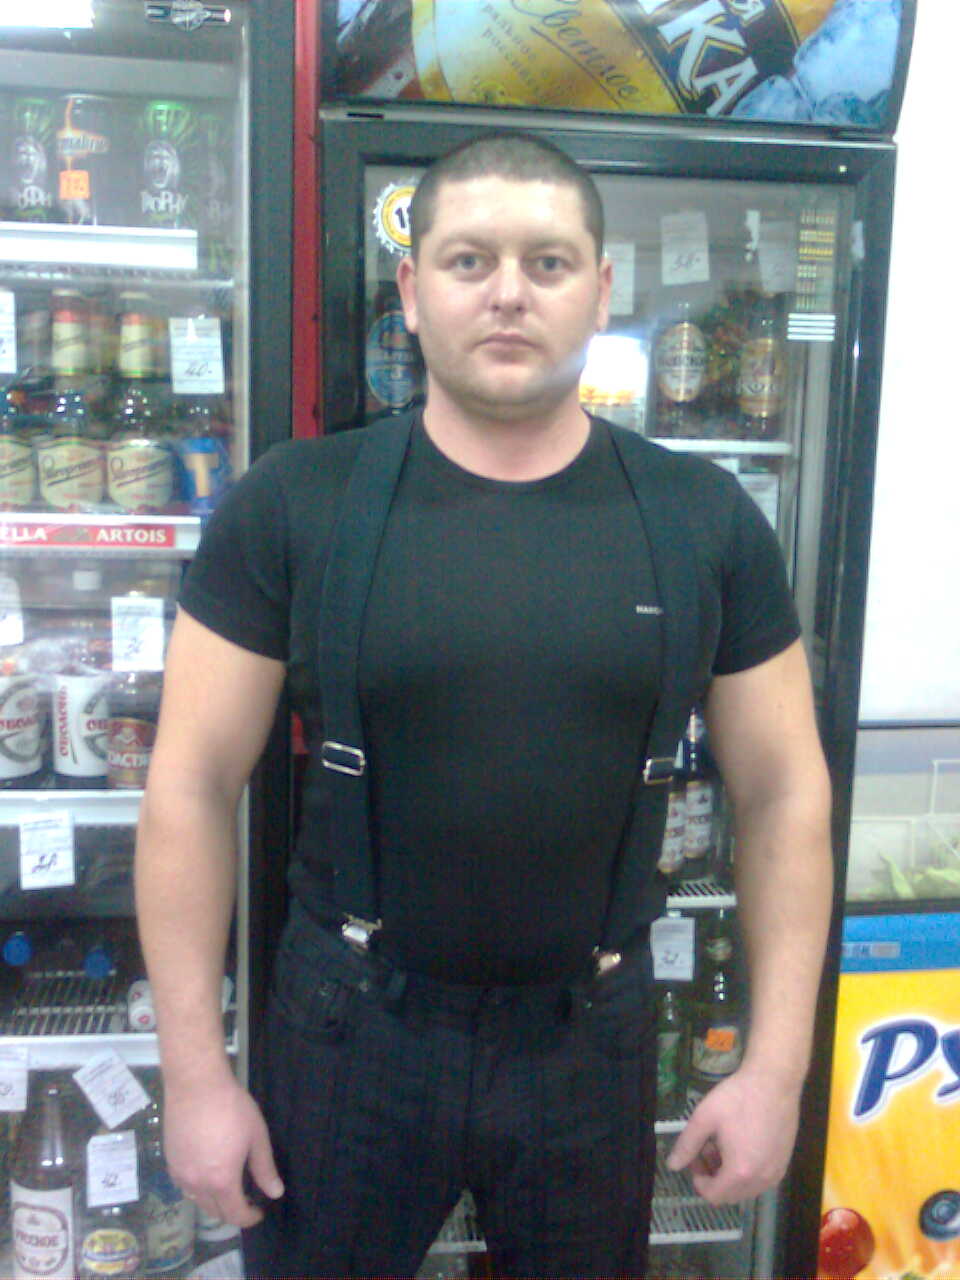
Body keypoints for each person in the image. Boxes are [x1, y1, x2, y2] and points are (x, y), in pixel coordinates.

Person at [134, 130, 833, 1278]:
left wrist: (777, 1068)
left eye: (547, 262)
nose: (509, 290)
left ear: (601, 289)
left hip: (590, 1040)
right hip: (348, 1033)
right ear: (412, 292)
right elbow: (189, 787)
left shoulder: (703, 518)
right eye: (470, 260)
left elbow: (785, 791)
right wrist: (196, 1075)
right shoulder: (294, 503)